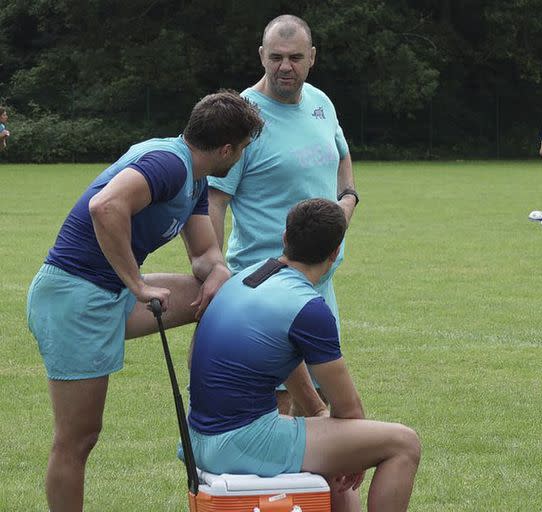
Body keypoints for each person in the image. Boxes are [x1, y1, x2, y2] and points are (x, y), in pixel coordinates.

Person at [26, 90, 263, 512]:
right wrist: (137, 285)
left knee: (222, 296)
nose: (242, 156)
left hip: (106, 293)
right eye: (244, 148)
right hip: (74, 298)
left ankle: (215, 415)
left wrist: (222, 273)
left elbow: (204, 256)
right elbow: (106, 206)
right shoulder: (167, 163)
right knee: (77, 438)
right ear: (227, 148)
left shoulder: (195, 177)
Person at [187, 198, 420, 512]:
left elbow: (277, 353)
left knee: (328, 445)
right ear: (335, 252)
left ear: (285, 238)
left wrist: (320, 415)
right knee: (404, 443)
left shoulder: (249, 275)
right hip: (240, 442)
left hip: (200, 438)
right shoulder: (308, 307)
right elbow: (349, 410)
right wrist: (354, 452)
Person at [206, 14, 358, 416]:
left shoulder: (321, 102)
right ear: (261, 56)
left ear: (312, 57)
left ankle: (318, 481)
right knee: (280, 404)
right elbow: (215, 200)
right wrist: (213, 267)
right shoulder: (241, 116)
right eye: (275, 57)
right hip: (268, 285)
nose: (284, 67)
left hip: (320, 281)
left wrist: (349, 196)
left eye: (294, 57)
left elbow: (341, 152)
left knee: (325, 396)